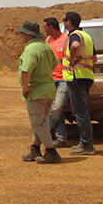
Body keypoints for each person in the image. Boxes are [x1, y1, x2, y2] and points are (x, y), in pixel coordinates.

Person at [15, 20, 61, 164]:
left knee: (38, 123)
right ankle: (35, 149)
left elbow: (26, 70)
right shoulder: (46, 47)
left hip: (36, 91)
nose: (21, 35)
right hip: (48, 90)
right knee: (41, 122)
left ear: (28, 35)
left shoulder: (30, 50)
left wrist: (25, 88)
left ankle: (51, 151)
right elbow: (54, 64)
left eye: (22, 33)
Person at [63, 11, 97, 155]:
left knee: (80, 112)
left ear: (69, 22)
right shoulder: (87, 36)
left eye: (64, 20)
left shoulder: (74, 36)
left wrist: (72, 61)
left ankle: (86, 144)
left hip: (76, 77)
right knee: (83, 111)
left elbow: (75, 46)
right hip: (86, 77)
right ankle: (86, 143)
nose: (64, 22)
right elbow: (95, 58)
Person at [44, 17, 70, 147]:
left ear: (51, 27)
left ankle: (43, 134)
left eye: (45, 27)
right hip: (50, 79)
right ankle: (61, 138)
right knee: (56, 110)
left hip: (63, 79)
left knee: (57, 108)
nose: (44, 30)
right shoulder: (48, 40)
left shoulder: (66, 39)